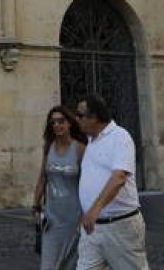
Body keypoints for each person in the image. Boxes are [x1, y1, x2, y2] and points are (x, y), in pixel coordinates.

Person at [75, 93, 148, 270]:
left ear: (94, 118)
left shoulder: (120, 137)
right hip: (93, 228)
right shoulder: (91, 141)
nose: (76, 119)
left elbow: (119, 177)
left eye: (80, 115)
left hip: (119, 226)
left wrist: (95, 209)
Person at [32, 105, 88, 270]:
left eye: (61, 121)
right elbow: (43, 177)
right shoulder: (48, 148)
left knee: (70, 265)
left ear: (69, 123)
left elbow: (87, 185)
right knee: (48, 265)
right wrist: (35, 204)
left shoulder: (80, 149)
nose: (57, 125)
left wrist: (86, 216)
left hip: (74, 217)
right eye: (53, 122)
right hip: (52, 218)